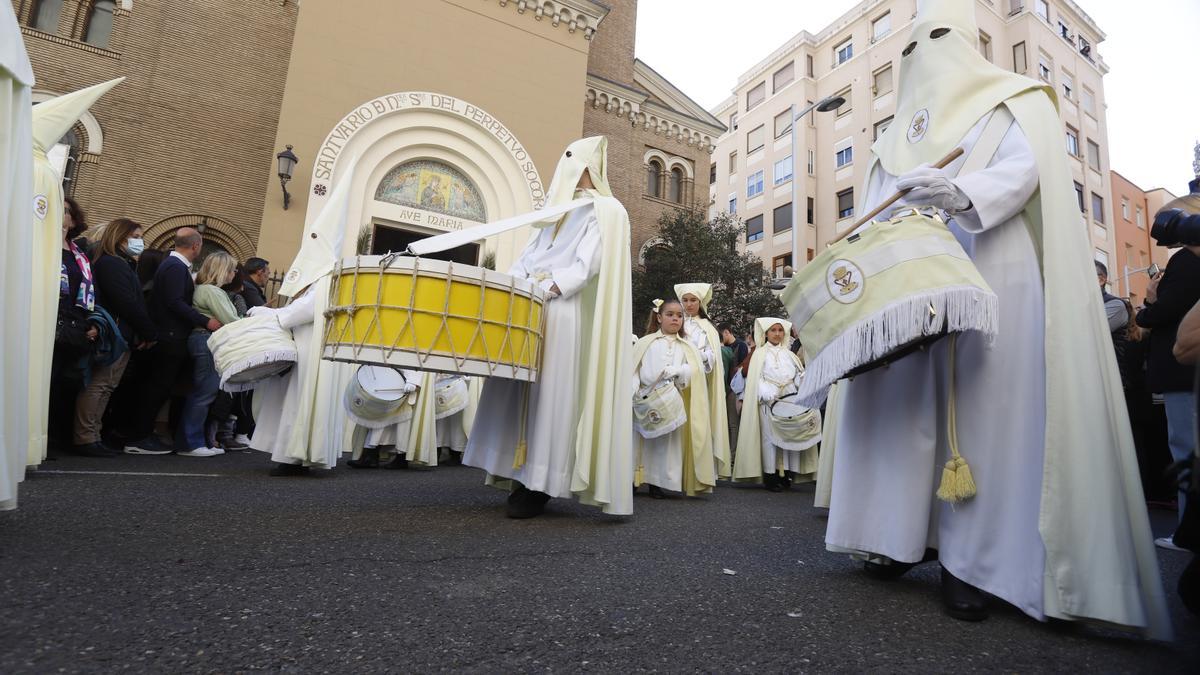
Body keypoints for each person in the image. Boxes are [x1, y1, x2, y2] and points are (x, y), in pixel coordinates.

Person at [820, 0, 1169, 637]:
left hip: (994, 269)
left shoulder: (1019, 100)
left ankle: (974, 562)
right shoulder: (889, 136)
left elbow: (1029, 167)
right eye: (910, 48)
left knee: (990, 416)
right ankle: (898, 536)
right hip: (910, 282)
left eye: (936, 39)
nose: (920, 57)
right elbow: (875, 204)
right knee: (900, 409)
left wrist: (964, 194)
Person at [465, 136, 633, 519]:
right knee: (514, 387)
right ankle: (514, 468)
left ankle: (540, 482)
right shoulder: (553, 212)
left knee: (549, 395)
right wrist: (513, 286)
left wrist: (549, 289)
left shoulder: (606, 211)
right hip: (527, 305)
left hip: (560, 308)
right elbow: (527, 256)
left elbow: (588, 263)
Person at [249, 157, 361, 476]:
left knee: (298, 404)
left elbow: (296, 314)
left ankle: (290, 456)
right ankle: (297, 455)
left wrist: (261, 312)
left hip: (312, 355)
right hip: (315, 352)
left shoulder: (325, 282)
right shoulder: (334, 281)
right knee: (299, 405)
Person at [123, 228, 221, 455]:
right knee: (156, 388)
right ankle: (138, 438)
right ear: (196, 246)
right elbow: (175, 302)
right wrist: (205, 321)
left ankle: (142, 434)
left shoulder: (172, 265)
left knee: (157, 388)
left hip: (168, 335)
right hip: (170, 336)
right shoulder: (176, 267)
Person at [1136, 243, 1200, 551]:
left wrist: (1150, 298)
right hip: (1188, 372)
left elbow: (1164, 311)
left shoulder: (1186, 259)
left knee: (1186, 450)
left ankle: (1189, 533)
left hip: (1182, 370)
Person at [75, 218, 156, 456]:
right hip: (115, 333)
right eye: (137, 237)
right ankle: (85, 437)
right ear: (121, 237)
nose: (141, 242)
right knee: (99, 385)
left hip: (122, 333)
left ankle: (94, 435)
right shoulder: (113, 264)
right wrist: (149, 330)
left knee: (107, 386)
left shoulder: (121, 263)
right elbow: (126, 302)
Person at [632, 298, 712, 498]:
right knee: (639, 440)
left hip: (670, 400)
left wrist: (680, 370)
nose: (675, 319)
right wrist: (633, 391)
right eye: (670, 314)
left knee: (664, 444)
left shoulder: (687, 347)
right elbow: (633, 369)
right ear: (659, 317)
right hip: (645, 397)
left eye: (679, 315)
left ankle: (657, 482)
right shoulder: (645, 343)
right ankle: (634, 478)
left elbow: (696, 370)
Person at [732, 318, 817, 492]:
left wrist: (802, 380)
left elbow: (797, 374)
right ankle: (770, 475)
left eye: (780, 330)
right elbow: (754, 377)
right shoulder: (759, 354)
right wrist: (765, 391)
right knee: (769, 438)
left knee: (788, 436)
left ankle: (786, 474)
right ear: (766, 333)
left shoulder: (790, 355)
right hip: (768, 400)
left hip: (788, 399)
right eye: (773, 330)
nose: (777, 334)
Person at [47, 197, 99, 452]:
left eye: (65, 211)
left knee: (63, 384)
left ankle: (52, 438)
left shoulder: (79, 255)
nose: (61, 215)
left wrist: (91, 322)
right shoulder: (44, 245)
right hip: (46, 322)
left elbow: (87, 292)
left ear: (74, 220)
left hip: (73, 326)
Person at [175, 252, 240, 457]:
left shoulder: (209, 290)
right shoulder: (211, 291)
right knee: (204, 394)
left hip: (205, 340)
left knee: (204, 393)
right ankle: (191, 443)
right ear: (222, 270)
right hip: (207, 341)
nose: (234, 273)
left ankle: (196, 441)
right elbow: (231, 319)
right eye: (232, 269)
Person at [674, 283, 731, 479]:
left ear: (700, 302)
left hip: (699, 383)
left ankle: (700, 470)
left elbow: (713, 357)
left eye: (693, 300)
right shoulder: (675, 323)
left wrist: (700, 356)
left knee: (698, 425)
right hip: (675, 383)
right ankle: (675, 469)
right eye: (685, 300)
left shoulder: (708, 329)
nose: (689, 304)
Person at [346, 368, 436, 470]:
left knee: (403, 425)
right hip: (388, 378)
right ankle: (370, 456)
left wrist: (413, 381)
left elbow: (416, 360)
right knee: (378, 421)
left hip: (404, 383)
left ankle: (400, 458)